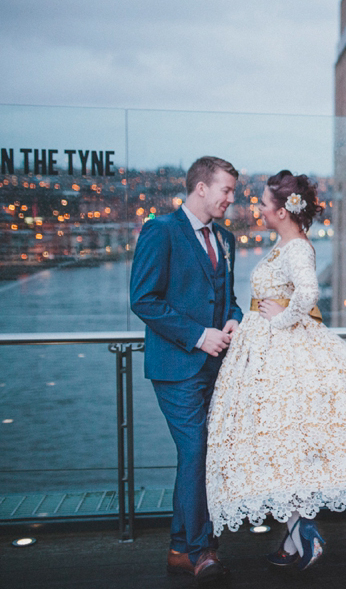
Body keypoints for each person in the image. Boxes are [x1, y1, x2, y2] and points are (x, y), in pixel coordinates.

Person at [205, 170, 346, 571]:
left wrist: (282, 319)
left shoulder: (297, 248)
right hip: (268, 347)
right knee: (284, 443)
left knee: (284, 438)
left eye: (265, 203)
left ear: (283, 211)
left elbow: (308, 293)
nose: (260, 208)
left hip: (283, 349)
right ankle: (294, 538)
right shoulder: (285, 244)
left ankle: (300, 533)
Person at [130, 156, 243, 583]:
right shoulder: (160, 230)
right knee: (197, 451)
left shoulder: (226, 239)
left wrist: (234, 318)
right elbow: (143, 299)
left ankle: (181, 547)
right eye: (226, 190)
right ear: (201, 188)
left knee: (204, 454)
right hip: (176, 367)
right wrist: (198, 335)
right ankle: (201, 551)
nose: (232, 199)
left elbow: (228, 296)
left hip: (217, 367)